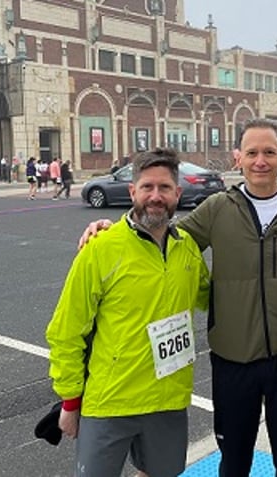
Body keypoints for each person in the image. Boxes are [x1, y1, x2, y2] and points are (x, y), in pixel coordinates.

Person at [81, 119, 277, 477]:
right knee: (233, 460)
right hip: (233, 360)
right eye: (251, 153)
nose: (260, 160)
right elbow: (160, 236)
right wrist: (112, 229)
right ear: (237, 159)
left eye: (269, 152)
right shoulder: (217, 209)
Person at [46, 148, 210, 477]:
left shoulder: (187, 249)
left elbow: (212, 298)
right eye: (147, 187)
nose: (155, 196)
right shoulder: (101, 249)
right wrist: (69, 401)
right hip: (111, 402)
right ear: (132, 191)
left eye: (164, 188)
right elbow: (66, 331)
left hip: (168, 399)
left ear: (177, 194)